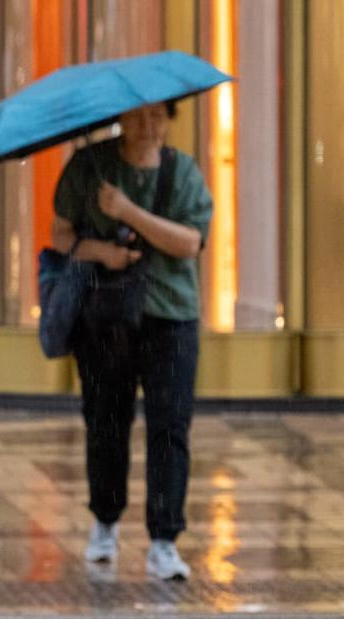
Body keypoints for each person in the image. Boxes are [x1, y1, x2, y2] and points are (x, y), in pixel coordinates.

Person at [52, 101, 213, 581]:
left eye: (158, 117)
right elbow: (61, 235)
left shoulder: (182, 172)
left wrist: (126, 212)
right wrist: (102, 250)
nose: (148, 127)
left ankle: (164, 540)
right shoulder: (89, 167)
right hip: (106, 315)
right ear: (121, 119)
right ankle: (104, 522)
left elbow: (190, 242)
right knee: (105, 420)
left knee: (170, 425)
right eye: (139, 117)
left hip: (172, 317)